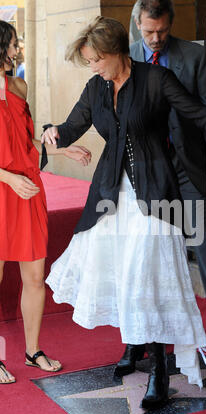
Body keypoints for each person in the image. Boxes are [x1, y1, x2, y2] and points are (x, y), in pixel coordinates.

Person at [43, 16, 206, 409]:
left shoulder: (157, 80)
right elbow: (71, 126)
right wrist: (52, 131)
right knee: (126, 269)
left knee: (147, 274)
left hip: (156, 194)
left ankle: (159, 367)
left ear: (113, 53)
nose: (91, 67)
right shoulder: (96, 87)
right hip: (111, 196)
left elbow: (194, 111)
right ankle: (134, 345)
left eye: (94, 60)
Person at [121, 0, 206, 374]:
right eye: (149, 32)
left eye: (162, 31)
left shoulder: (194, 56)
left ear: (171, 24)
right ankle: (148, 335)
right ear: (137, 25)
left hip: (190, 168)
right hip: (150, 172)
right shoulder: (126, 57)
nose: (155, 39)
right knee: (149, 255)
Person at [0, 20, 91, 384]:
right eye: (10, 45)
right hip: (5, 190)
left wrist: (63, 150)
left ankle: (33, 351)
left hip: (29, 191)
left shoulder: (19, 86)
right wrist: (7, 178)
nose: (16, 51)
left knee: (35, 277)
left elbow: (25, 144)